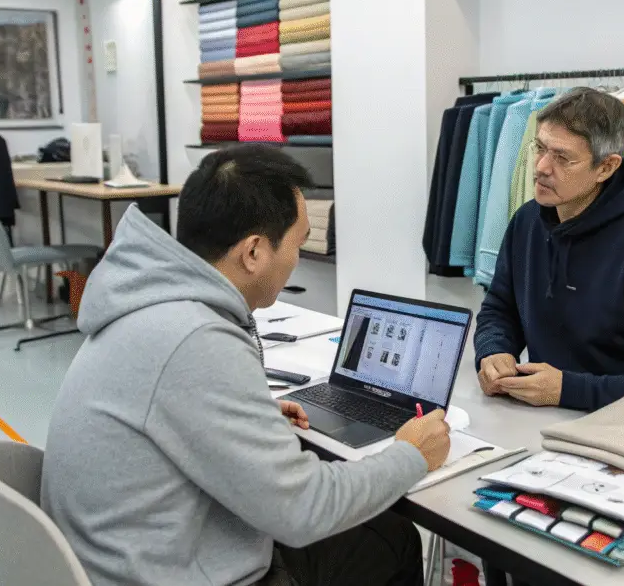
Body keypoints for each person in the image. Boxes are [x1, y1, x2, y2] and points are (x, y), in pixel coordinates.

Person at [41, 145, 451, 586]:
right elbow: (304, 509)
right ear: (254, 252)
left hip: (121, 558)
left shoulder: (148, 303)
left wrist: (248, 414)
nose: (295, 260)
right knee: (392, 540)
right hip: (164, 572)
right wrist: (411, 455)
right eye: (297, 244)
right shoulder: (195, 338)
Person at [475, 88, 624, 412]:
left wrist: (568, 390)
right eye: (540, 148)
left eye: (562, 158)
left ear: (606, 167)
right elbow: (500, 309)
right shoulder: (527, 222)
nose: (541, 167)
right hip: (545, 422)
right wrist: (494, 350)